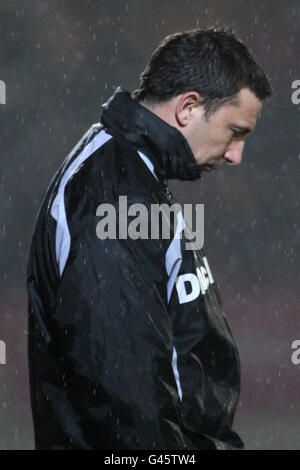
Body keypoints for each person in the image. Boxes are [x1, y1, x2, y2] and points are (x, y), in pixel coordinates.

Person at [26, 28, 272, 450]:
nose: (236, 154)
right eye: (235, 131)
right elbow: (129, 406)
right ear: (189, 108)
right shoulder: (115, 195)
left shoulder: (132, 171)